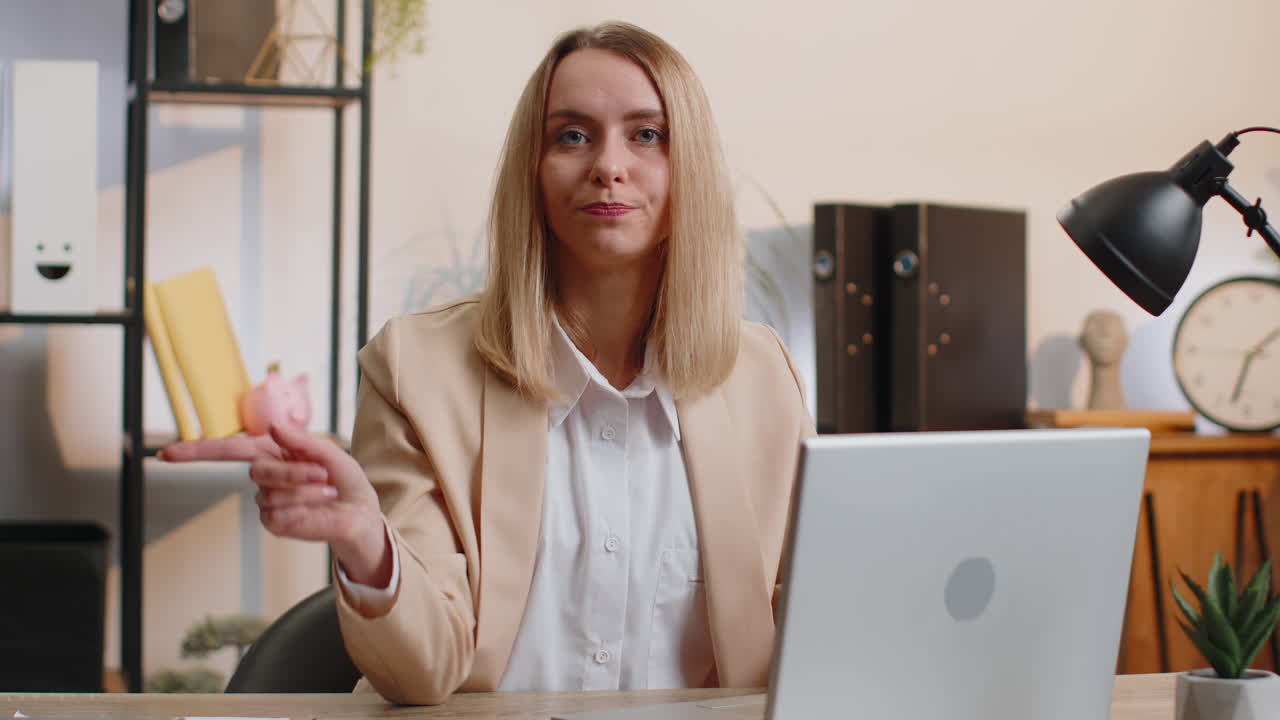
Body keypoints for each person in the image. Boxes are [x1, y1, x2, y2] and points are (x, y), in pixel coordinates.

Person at [160, 21, 812, 705]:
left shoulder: (764, 379)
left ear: (692, 169)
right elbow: (423, 672)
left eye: (647, 134)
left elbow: (807, 630)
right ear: (532, 169)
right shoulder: (416, 368)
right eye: (572, 135)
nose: (608, 165)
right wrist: (366, 540)